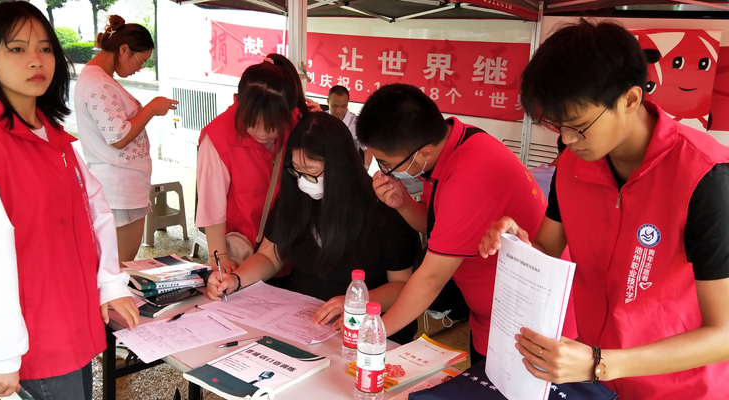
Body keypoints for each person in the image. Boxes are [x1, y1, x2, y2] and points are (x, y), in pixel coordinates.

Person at [478, 20, 729, 400]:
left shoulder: (705, 177)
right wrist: (518, 245)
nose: (566, 140)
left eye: (578, 126)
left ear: (630, 100)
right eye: (557, 127)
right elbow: (546, 247)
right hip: (600, 380)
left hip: (680, 387)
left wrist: (599, 362)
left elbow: (723, 334)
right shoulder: (573, 166)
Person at [0, 3, 139, 399]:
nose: (36, 60)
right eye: (16, 49)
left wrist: (109, 284)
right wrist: (0, 354)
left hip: (73, 322)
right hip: (34, 339)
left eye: (45, 48)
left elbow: (96, 213)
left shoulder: (53, 137)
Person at [356, 83, 572, 364]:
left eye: (386, 163)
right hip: (491, 316)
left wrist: (373, 334)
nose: (383, 171)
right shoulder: (454, 143)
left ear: (423, 153)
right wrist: (404, 204)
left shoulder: (469, 176)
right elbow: (440, 229)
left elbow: (431, 279)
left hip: (529, 328)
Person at [207, 112, 420, 343]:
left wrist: (357, 301)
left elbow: (402, 285)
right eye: (297, 170)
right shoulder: (295, 198)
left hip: (364, 329)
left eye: (311, 171)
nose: (303, 180)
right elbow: (269, 256)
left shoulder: (383, 210)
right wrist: (236, 280)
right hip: (301, 321)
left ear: (341, 166)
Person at [196, 54, 317, 271]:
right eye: (252, 122)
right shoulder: (217, 137)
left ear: (289, 111)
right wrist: (219, 258)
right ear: (240, 104)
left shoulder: (300, 126)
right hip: (244, 257)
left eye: (273, 124)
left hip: (293, 250)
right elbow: (211, 206)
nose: (262, 133)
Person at [74, 15, 178, 267]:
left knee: (117, 265)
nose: (139, 68)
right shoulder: (97, 83)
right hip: (118, 189)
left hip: (122, 187)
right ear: (123, 50)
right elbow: (118, 136)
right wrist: (152, 108)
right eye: (140, 61)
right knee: (119, 266)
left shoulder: (101, 80)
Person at [326, 85, 371, 169]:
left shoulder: (357, 123)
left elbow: (367, 149)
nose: (339, 111)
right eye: (334, 106)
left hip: (348, 168)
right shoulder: (320, 119)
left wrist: (365, 169)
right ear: (328, 101)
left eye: (343, 106)